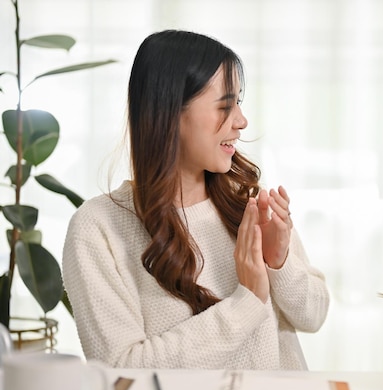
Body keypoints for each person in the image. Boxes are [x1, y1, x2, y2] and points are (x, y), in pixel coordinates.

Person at [62, 30, 330, 370]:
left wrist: (279, 262)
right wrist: (245, 303)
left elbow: (314, 315)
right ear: (171, 111)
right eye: (225, 106)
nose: (241, 121)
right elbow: (123, 369)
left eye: (239, 104)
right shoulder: (97, 229)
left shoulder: (248, 203)